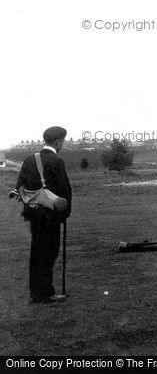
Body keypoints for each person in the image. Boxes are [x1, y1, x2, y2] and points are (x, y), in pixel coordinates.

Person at [15, 126, 72, 303]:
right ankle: (46, 293)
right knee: (49, 253)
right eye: (63, 141)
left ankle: (36, 292)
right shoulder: (56, 161)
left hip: (34, 214)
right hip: (51, 215)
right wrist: (64, 215)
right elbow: (65, 191)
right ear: (57, 141)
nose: (63, 144)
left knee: (37, 252)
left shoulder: (29, 159)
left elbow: (20, 187)